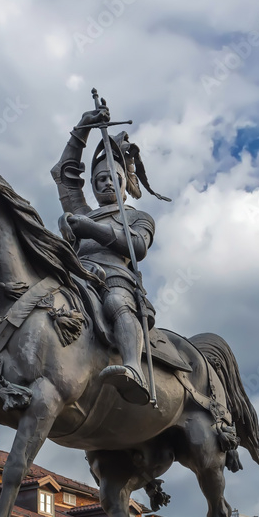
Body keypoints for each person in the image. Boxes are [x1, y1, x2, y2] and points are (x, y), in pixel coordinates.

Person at [51, 105, 166, 405]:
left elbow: (137, 246)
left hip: (114, 279)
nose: (104, 184)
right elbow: (65, 175)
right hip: (75, 277)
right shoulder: (82, 211)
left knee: (117, 302)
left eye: (111, 178)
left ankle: (132, 366)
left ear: (124, 185)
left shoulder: (137, 217)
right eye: (98, 181)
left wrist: (91, 229)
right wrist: (81, 129)